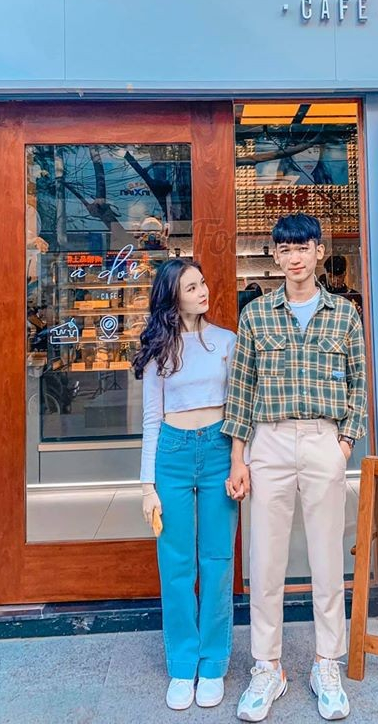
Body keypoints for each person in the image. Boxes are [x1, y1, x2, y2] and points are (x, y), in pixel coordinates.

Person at [222, 214, 367, 722]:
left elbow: (359, 383)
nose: (295, 257)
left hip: (325, 439)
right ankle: (267, 666)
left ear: (319, 251)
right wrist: (239, 457)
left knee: (327, 557)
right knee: (265, 560)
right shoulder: (256, 316)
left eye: (303, 247)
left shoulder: (344, 315)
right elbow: (240, 389)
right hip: (270, 441)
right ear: (276, 256)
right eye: (285, 249)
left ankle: (327, 662)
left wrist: (345, 443)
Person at [134, 258, 238, 711]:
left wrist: (241, 463)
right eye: (192, 286)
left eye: (203, 283)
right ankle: (182, 663)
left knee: (217, 559)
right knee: (176, 563)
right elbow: (151, 419)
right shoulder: (159, 349)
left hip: (218, 450)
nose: (203, 291)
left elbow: (239, 409)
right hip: (172, 455)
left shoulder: (227, 342)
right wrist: (147, 486)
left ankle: (213, 662)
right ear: (173, 296)